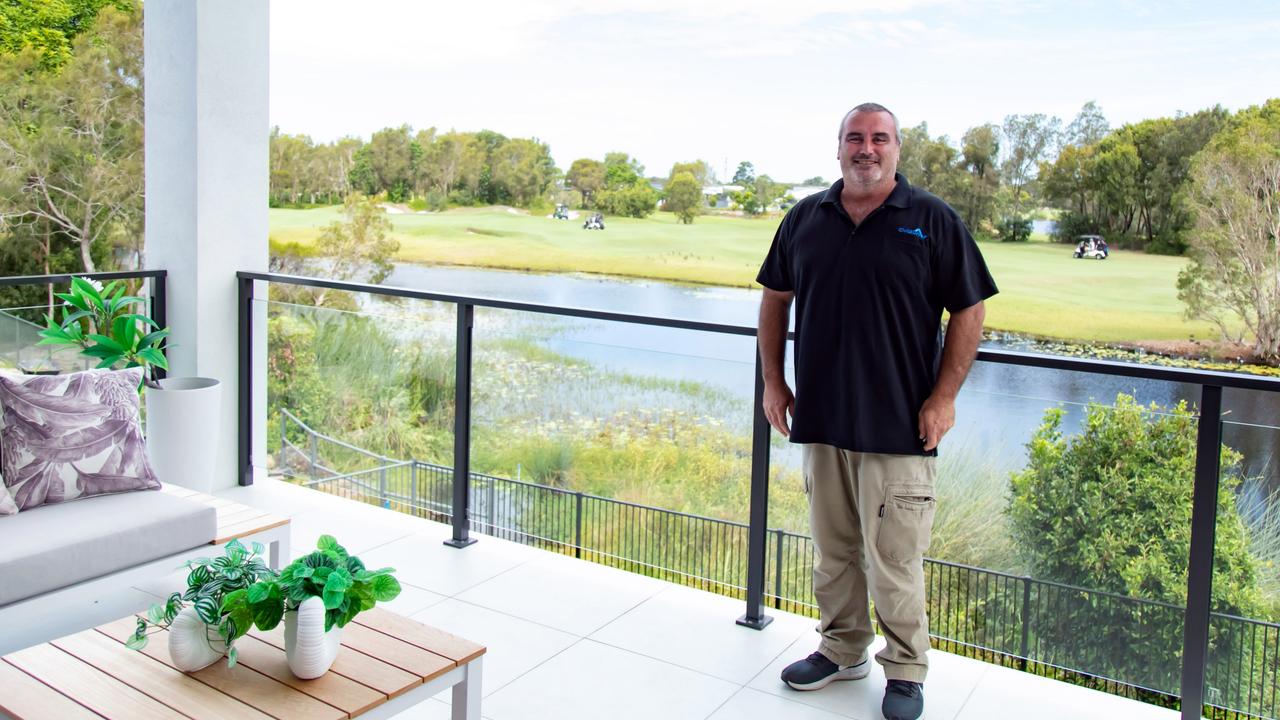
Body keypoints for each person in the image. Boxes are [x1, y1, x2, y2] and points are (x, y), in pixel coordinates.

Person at [755, 103, 997, 720]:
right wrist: (773, 384)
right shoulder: (806, 217)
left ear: (896, 149)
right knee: (834, 550)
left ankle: (906, 669)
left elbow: (969, 310)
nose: (867, 148)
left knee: (895, 558)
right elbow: (775, 298)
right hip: (823, 421)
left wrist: (944, 398)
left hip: (900, 427)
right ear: (838, 147)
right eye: (855, 138)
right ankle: (841, 650)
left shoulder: (931, 220)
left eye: (879, 138)